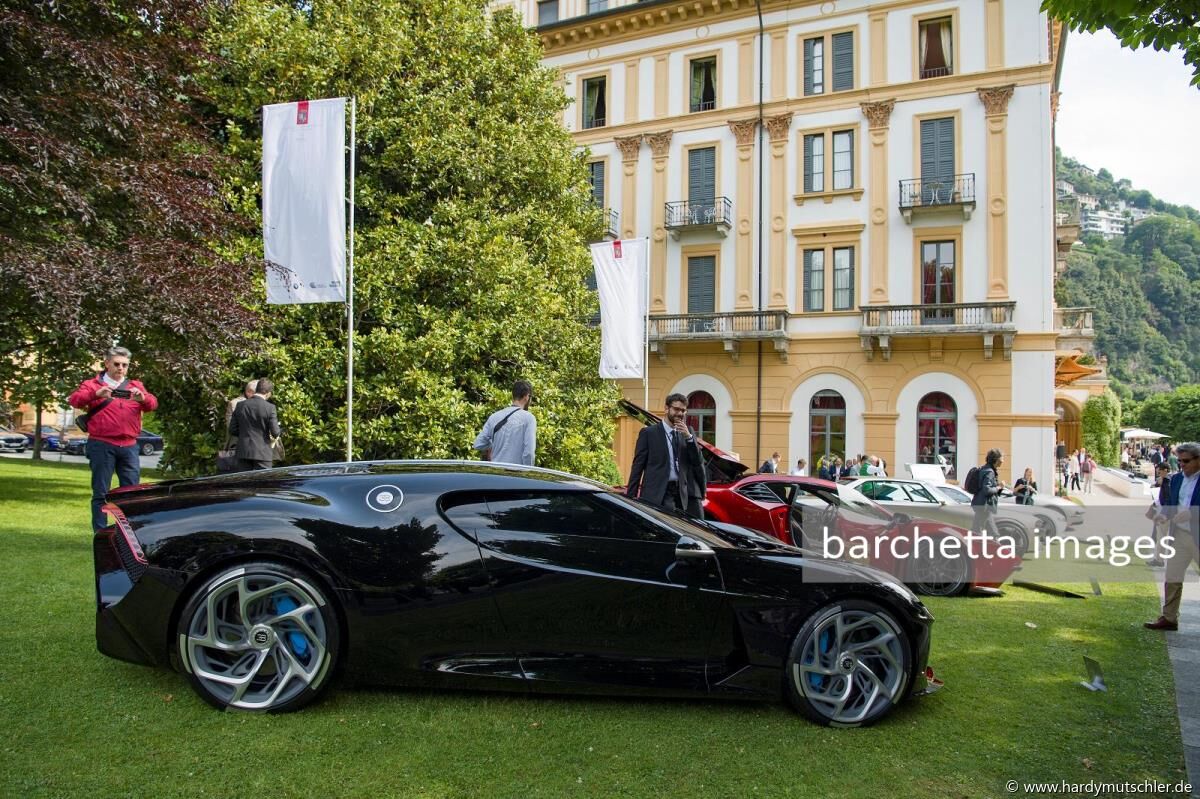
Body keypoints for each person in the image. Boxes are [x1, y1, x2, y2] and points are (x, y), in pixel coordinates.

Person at [68, 346, 158, 531]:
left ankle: (129, 534)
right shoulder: (93, 384)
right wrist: (96, 394)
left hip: (129, 445)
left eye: (125, 365)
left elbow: (152, 404)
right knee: (101, 493)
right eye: (117, 364)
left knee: (131, 494)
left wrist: (142, 399)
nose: (121, 368)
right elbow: (75, 400)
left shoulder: (135, 386)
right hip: (102, 444)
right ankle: (101, 533)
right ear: (107, 363)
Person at [1145, 442, 1200, 631]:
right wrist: (1163, 515)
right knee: (1172, 577)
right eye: (1180, 461)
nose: (1182, 465)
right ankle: (1169, 618)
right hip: (1179, 534)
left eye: (1186, 461)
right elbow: (1171, 503)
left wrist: (1192, 514)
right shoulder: (1176, 479)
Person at [626, 393, 704, 514]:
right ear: (666, 408)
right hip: (657, 494)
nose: (680, 413)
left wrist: (689, 438)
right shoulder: (649, 433)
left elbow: (697, 462)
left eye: (683, 410)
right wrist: (630, 499)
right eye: (676, 409)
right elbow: (637, 467)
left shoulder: (688, 432)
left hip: (681, 495)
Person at [473, 380, 536, 466]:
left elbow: (478, 444)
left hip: (496, 471)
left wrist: (494, 443)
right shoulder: (529, 418)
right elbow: (529, 453)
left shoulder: (494, 416)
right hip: (516, 472)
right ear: (526, 396)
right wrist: (528, 470)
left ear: (513, 395)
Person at [228, 378, 281, 471]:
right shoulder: (270, 407)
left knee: (245, 480)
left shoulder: (240, 405)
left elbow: (232, 429)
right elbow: (275, 433)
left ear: (256, 389)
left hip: (243, 451)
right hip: (262, 452)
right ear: (268, 393)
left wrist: (244, 434)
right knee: (263, 479)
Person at [970, 448, 1006, 538]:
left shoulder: (985, 469)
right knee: (993, 533)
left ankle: (972, 545)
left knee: (976, 530)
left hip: (980, 504)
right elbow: (987, 490)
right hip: (984, 506)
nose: (1003, 461)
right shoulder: (990, 472)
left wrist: (999, 488)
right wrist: (999, 487)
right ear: (996, 459)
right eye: (1002, 458)